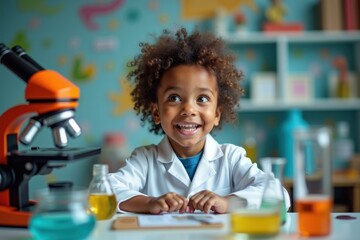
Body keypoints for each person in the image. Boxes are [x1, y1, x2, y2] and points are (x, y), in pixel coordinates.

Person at [108, 27, 290, 214]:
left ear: (217, 114)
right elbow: (105, 191)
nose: (189, 109)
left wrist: (228, 202)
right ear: (156, 112)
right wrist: (149, 203)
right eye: (174, 98)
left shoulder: (231, 158)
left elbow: (278, 194)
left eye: (202, 99)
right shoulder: (144, 160)